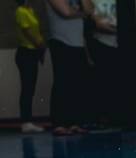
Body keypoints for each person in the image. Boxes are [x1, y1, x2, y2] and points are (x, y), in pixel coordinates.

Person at [45, 0, 94, 136]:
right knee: (62, 82)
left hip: (77, 43)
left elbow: (90, 10)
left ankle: (75, 122)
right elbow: (66, 12)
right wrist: (81, 14)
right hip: (61, 41)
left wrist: (81, 12)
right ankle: (59, 123)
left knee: (77, 84)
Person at [14, 0, 46, 133]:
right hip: (25, 52)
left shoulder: (30, 10)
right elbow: (27, 32)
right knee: (27, 87)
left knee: (30, 87)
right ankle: (26, 122)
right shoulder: (20, 11)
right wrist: (39, 45)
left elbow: (36, 32)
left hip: (34, 52)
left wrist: (41, 49)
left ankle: (28, 120)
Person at [90, 0, 119, 127]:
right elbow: (97, 23)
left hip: (120, 45)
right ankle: (102, 116)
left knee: (117, 82)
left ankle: (116, 116)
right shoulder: (95, 2)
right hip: (102, 43)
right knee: (103, 81)